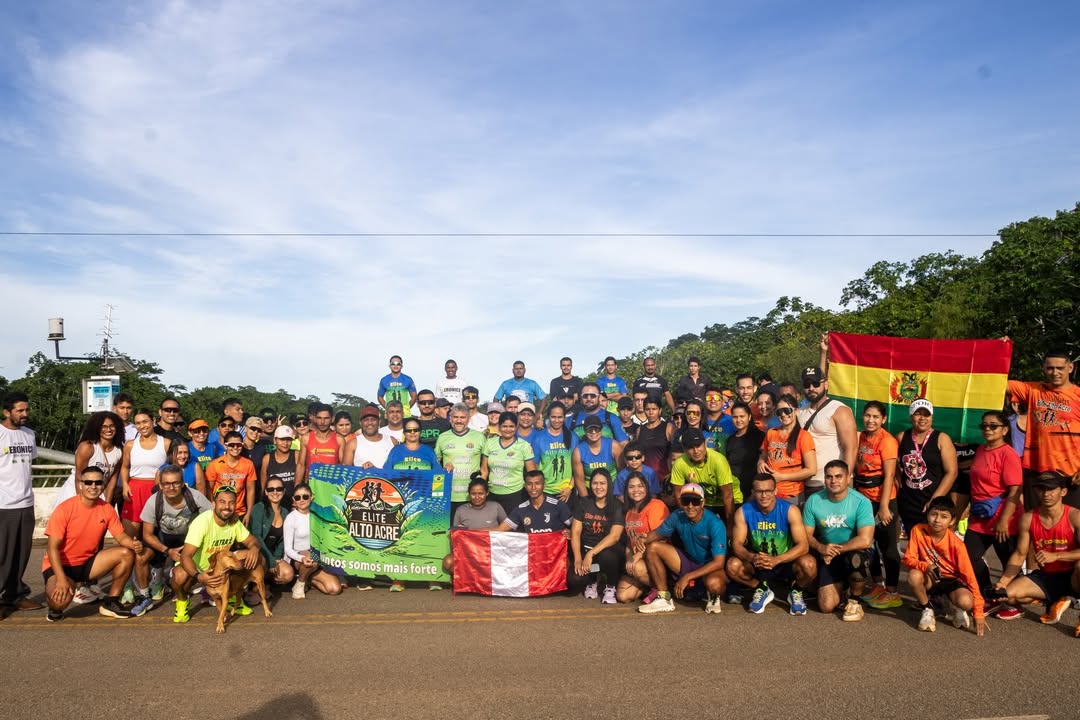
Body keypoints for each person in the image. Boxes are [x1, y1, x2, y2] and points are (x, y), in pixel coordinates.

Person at [42, 466, 144, 621]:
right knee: (59, 601)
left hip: (87, 563)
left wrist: (133, 544)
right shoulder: (65, 509)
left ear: (103, 485)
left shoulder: (106, 509)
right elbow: (52, 548)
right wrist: (61, 579)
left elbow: (121, 537)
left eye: (98, 482)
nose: (93, 486)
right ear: (81, 484)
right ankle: (55, 608)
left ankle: (111, 602)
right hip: (60, 566)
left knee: (126, 553)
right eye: (88, 482)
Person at [994, 472, 1080, 634]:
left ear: (1063, 492)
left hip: (1073, 575)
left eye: (1051, 489)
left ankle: (1072, 599)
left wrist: (1056, 556)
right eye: (1041, 489)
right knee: (1008, 596)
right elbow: (1020, 554)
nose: (1046, 494)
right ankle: (1056, 600)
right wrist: (1003, 582)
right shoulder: (1028, 518)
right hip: (1047, 576)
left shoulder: (1075, 516)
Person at [171, 485, 262, 623]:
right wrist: (199, 576)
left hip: (220, 567)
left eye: (231, 502)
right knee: (179, 575)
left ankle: (232, 598)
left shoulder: (233, 521)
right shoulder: (202, 522)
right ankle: (182, 601)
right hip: (198, 567)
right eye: (222, 502)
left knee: (250, 555)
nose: (227, 507)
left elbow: (252, 541)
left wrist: (254, 549)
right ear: (213, 503)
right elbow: (186, 555)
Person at [726, 474, 815, 615]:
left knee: (809, 564)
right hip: (759, 561)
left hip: (785, 561)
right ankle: (761, 588)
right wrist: (752, 557)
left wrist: (777, 560)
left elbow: (803, 546)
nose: (764, 495)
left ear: (775, 491)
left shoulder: (790, 510)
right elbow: (736, 544)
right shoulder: (743, 511)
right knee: (732, 566)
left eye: (768, 491)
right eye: (759, 491)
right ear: (753, 492)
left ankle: (796, 591)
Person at [964, 410, 1023, 619]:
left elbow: (1015, 490)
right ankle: (990, 594)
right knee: (969, 555)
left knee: (1008, 561)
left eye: (993, 426)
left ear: (1005, 430)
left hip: (1002, 517)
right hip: (980, 516)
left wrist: (1004, 520)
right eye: (984, 426)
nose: (987, 429)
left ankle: (1014, 602)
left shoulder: (1008, 454)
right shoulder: (981, 449)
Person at [637, 482, 728, 614]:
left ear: (703, 503)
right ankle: (664, 598)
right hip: (689, 561)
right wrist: (643, 539)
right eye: (686, 501)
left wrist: (687, 577)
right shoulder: (677, 515)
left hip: (709, 566)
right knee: (653, 547)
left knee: (715, 584)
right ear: (681, 502)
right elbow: (657, 534)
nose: (690, 506)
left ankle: (712, 596)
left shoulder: (715, 524)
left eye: (695, 501)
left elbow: (719, 562)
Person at [802, 460, 875, 621]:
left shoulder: (861, 502)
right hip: (827, 553)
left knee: (857, 559)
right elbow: (805, 534)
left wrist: (834, 551)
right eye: (829, 477)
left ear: (848, 478)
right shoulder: (814, 500)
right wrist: (820, 547)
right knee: (826, 606)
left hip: (854, 552)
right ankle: (843, 587)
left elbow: (866, 540)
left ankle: (855, 601)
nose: (833, 481)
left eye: (838, 476)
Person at [904, 497, 988, 635]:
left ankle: (953, 605)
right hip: (931, 577)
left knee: (966, 602)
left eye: (944, 517)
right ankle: (927, 608)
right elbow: (908, 558)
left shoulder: (957, 545)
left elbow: (970, 577)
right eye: (933, 514)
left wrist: (978, 611)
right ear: (927, 514)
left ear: (952, 521)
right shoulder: (917, 530)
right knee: (914, 575)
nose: (937, 520)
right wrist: (924, 566)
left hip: (951, 580)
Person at [1007, 351, 1080, 507]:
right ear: (1044, 368)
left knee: (1073, 525)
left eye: (1060, 368)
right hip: (1037, 471)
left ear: (1070, 367)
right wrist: (997, 351)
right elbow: (996, 383)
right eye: (1050, 368)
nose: (1055, 373)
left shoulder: (1078, 396)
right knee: (1035, 524)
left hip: (1071, 473)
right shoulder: (1033, 390)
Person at [135, 464, 213, 608]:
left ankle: (207, 586)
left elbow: (213, 521)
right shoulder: (154, 501)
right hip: (163, 538)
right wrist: (167, 551)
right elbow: (147, 534)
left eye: (175, 483)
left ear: (182, 483)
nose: (171, 487)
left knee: (183, 576)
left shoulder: (195, 497)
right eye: (166, 484)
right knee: (141, 556)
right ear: (160, 485)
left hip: (189, 539)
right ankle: (145, 596)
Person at [853, 401, 903, 610]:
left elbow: (890, 474)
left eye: (875, 417)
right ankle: (877, 584)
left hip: (883, 498)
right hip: (863, 499)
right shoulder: (861, 437)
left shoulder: (887, 441)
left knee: (888, 547)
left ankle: (892, 591)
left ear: (883, 419)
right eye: (867, 416)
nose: (870, 420)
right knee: (868, 544)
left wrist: (884, 507)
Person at [0, 392, 42, 615]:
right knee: (2, 554)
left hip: (25, 503)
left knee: (21, 554)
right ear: (7, 412)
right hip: (3, 505)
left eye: (26, 410)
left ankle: (15, 596)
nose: (25, 414)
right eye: (19, 410)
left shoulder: (28, 434)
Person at [895, 399, 958, 536]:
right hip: (909, 502)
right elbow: (892, 463)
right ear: (911, 416)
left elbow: (951, 472)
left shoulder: (942, 438)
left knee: (933, 545)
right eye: (918, 414)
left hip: (934, 502)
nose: (922, 418)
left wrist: (934, 500)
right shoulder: (901, 437)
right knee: (914, 541)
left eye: (926, 414)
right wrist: (897, 478)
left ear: (932, 417)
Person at [799, 354, 858, 495]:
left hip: (832, 484)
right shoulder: (799, 412)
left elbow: (851, 448)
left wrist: (845, 482)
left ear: (825, 384)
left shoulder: (839, 410)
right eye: (807, 385)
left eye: (816, 384)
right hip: (804, 483)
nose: (811, 388)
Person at [568, 469, 625, 604]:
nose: (598, 487)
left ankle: (610, 586)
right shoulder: (583, 503)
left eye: (602, 483)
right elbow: (575, 532)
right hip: (586, 549)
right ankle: (592, 580)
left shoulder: (617, 506)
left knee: (607, 557)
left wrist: (591, 554)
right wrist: (577, 558)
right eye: (595, 483)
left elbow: (615, 536)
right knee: (574, 580)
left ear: (609, 484)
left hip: (606, 552)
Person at [614, 472, 669, 603]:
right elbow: (629, 541)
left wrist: (636, 557)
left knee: (637, 568)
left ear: (646, 488)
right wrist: (629, 557)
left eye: (640, 486)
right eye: (631, 487)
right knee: (623, 596)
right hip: (638, 558)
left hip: (655, 559)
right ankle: (649, 588)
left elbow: (659, 538)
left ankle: (664, 591)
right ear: (626, 490)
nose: (636, 490)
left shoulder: (656, 505)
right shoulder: (629, 512)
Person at [120, 409, 170, 547]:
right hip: (134, 490)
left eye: (145, 422)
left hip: (157, 490)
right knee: (132, 538)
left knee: (156, 535)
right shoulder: (130, 445)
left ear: (153, 421)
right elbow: (124, 467)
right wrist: (125, 484)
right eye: (138, 423)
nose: (142, 426)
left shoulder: (166, 443)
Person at [283, 483, 343, 599]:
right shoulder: (291, 518)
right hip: (296, 558)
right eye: (297, 497)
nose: (301, 500)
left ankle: (308, 578)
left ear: (311, 497)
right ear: (293, 500)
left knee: (334, 589)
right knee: (312, 557)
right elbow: (288, 550)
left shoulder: (317, 516)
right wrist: (301, 558)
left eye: (305, 496)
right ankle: (299, 585)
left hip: (315, 559)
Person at [669, 428, 739, 526]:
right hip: (702, 502)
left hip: (729, 501)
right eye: (690, 447)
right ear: (684, 449)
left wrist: (730, 525)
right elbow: (678, 495)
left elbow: (728, 495)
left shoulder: (718, 460)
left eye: (698, 445)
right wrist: (690, 518)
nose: (696, 451)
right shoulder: (680, 463)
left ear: (705, 443)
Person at [758, 394, 817, 505]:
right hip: (770, 492)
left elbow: (811, 470)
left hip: (792, 494)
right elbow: (763, 456)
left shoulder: (803, 436)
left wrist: (782, 477)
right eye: (779, 412)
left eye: (787, 410)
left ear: (796, 411)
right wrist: (760, 463)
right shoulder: (771, 433)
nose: (784, 415)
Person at [443, 478, 507, 575]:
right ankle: (466, 582)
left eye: (480, 493)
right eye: (473, 494)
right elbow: (455, 537)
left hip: (492, 552)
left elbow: (507, 529)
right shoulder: (461, 510)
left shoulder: (496, 507)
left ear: (487, 493)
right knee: (448, 562)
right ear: (469, 494)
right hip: (469, 553)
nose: (477, 497)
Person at [436, 403, 487, 517]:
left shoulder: (479, 437)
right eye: (455, 417)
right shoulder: (442, 437)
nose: (459, 421)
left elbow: (485, 467)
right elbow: (436, 464)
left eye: (462, 417)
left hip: (472, 496)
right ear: (450, 419)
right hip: (449, 495)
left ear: (468, 419)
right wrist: (443, 469)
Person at [481, 412, 537, 514]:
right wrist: (481, 488)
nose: (508, 429)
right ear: (499, 426)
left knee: (513, 527)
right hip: (493, 494)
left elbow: (532, 473)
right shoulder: (490, 443)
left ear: (516, 427)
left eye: (511, 426)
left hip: (515, 495)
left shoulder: (524, 446)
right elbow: (484, 470)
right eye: (504, 426)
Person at [247, 477, 297, 587]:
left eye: (279, 489)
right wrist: (270, 560)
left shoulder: (285, 512)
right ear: (266, 492)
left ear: (283, 491)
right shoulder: (258, 509)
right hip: (257, 553)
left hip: (272, 555)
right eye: (271, 489)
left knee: (288, 574)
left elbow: (283, 540)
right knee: (264, 565)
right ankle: (256, 584)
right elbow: (256, 537)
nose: (275, 492)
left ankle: (265, 583)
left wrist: (277, 558)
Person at [204, 431, 257, 525]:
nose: (235, 448)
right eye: (231, 445)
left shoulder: (248, 464)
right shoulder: (215, 464)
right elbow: (209, 489)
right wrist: (212, 505)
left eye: (238, 445)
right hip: (220, 511)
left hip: (239, 511)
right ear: (225, 446)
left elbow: (251, 490)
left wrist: (249, 513)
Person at [529, 403, 578, 502]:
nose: (556, 420)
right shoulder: (539, 438)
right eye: (553, 417)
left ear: (564, 418)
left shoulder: (573, 437)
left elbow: (577, 467)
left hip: (566, 492)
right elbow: (534, 466)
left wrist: (570, 487)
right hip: (545, 491)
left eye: (560, 417)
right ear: (548, 417)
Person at [499, 469, 573, 534]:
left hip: (553, 549)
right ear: (525, 486)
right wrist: (486, 534)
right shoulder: (520, 509)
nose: (533, 488)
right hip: (532, 549)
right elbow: (500, 529)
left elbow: (575, 527)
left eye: (537, 483)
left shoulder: (558, 505)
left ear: (544, 485)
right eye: (529, 484)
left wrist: (571, 532)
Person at [572, 415, 622, 498]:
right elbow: (579, 481)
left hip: (612, 489)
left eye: (597, 429)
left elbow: (622, 472)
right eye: (590, 429)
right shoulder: (578, 451)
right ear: (584, 431)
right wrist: (586, 501)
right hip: (590, 491)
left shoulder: (614, 445)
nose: (593, 432)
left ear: (601, 430)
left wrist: (619, 493)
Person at [725, 402, 766, 504]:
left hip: (755, 491)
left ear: (749, 417)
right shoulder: (730, 439)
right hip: (735, 492)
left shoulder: (759, 436)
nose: (738, 420)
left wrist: (756, 491)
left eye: (742, 416)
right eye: (735, 417)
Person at [298, 403, 343, 482]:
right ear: (315, 418)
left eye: (326, 418)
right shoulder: (306, 438)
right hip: (311, 485)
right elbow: (301, 465)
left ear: (332, 419)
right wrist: (297, 487)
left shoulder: (339, 439)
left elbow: (344, 466)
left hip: (331, 485)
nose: (322, 422)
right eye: (319, 418)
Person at [636, 396, 673, 487]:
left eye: (654, 409)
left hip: (664, 478)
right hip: (645, 479)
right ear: (644, 411)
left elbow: (675, 454)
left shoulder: (668, 428)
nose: (651, 412)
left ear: (660, 410)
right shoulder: (640, 430)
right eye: (648, 409)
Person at [345, 405, 397, 469]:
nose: (370, 423)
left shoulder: (392, 441)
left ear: (379, 422)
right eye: (366, 420)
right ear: (360, 423)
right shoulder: (352, 444)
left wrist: (375, 470)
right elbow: (345, 472)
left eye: (373, 419)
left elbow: (398, 469)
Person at [261, 425, 300, 509]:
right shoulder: (267, 458)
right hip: (274, 504)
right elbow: (263, 485)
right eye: (282, 439)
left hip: (293, 504)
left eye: (288, 440)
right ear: (275, 440)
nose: (285, 443)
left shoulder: (297, 455)